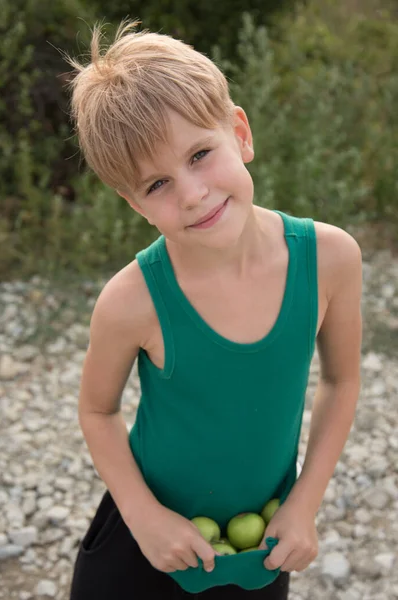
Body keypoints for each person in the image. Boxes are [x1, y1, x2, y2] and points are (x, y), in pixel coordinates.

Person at [65, 18, 362, 600]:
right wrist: (144, 517)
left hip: (261, 547)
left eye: (200, 154)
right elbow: (98, 413)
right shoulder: (132, 301)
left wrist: (305, 503)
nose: (192, 193)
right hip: (145, 544)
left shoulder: (330, 259)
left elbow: (343, 378)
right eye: (156, 185)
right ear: (133, 204)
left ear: (240, 132)